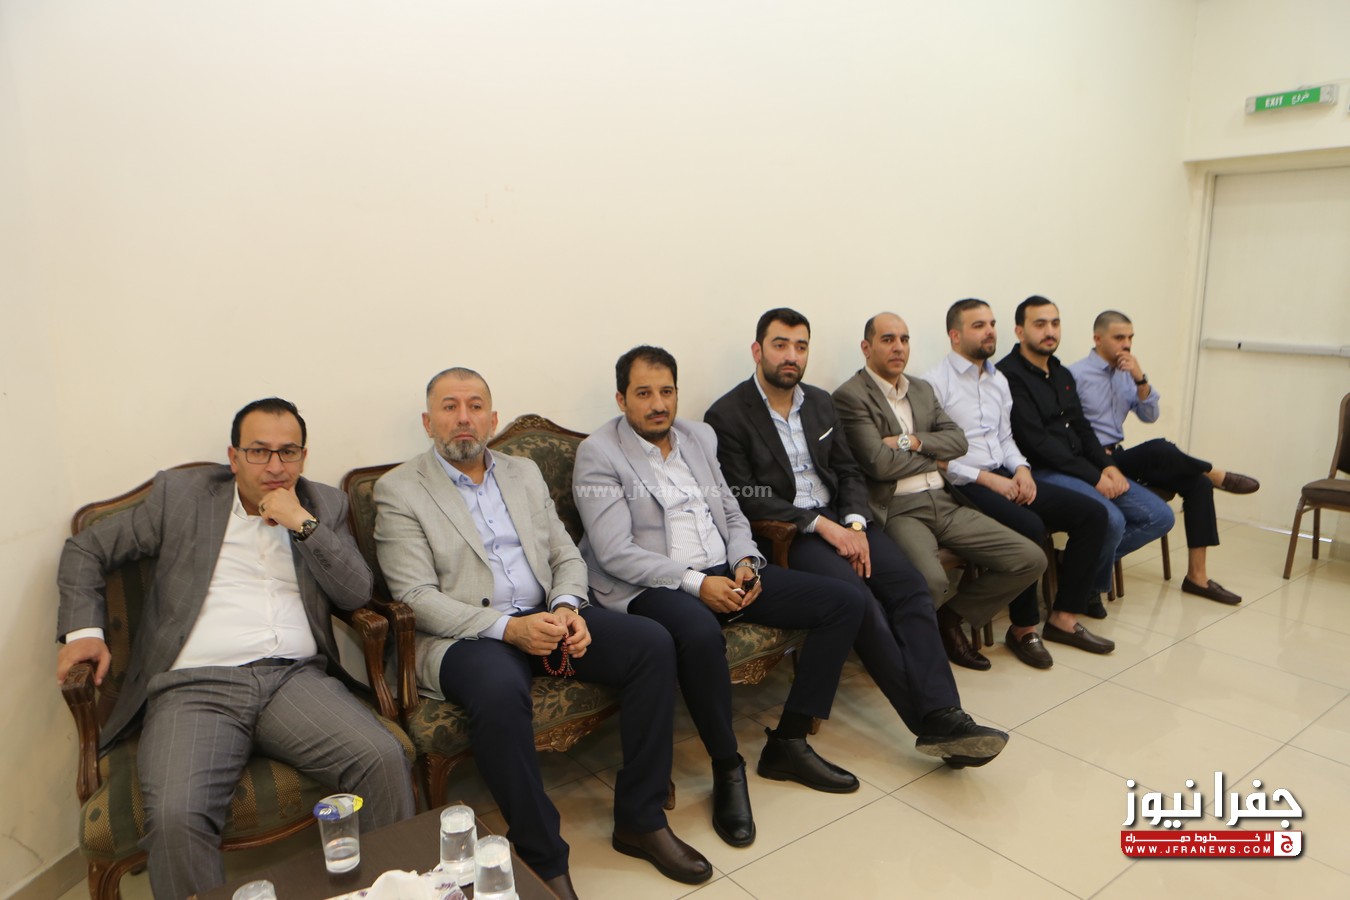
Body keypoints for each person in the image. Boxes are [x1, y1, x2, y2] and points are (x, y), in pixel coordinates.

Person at [55, 398, 416, 899]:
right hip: (195, 687)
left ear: (304, 456)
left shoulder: (324, 504)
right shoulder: (182, 497)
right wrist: (84, 634)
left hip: (293, 680)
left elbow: (356, 593)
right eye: (259, 451)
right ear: (234, 456)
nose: (275, 466)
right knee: (176, 815)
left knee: (382, 758)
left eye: (288, 452)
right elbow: (86, 549)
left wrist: (302, 524)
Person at [374, 368, 708, 898]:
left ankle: (641, 819)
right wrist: (510, 629)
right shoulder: (399, 489)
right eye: (449, 406)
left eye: (475, 406)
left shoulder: (522, 472)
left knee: (651, 644)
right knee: (499, 692)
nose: (463, 417)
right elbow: (415, 597)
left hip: (546, 614)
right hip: (468, 636)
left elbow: (565, 554)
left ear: (492, 418)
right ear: (427, 421)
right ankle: (542, 857)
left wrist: (569, 606)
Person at [574, 346, 866, 850]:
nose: (658, 404)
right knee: (699, 632)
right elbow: (614, 552)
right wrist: (695, 583)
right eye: (643, 393)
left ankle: (789, 741)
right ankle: (728, 766)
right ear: (621, 399)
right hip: (649, 584)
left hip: (723, 569)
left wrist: (747, 562)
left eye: (667, 391)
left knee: (844, 602)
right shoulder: (599, 453)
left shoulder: (697, 438)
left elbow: (731, 513)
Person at [703, 310, 1009, 767]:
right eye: (780, 345)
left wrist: (855, 524)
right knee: (859, 600)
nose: (791, 356)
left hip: (845, 522)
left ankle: (946, 713)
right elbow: (746, 496)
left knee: (910, 588)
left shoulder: (820, 403)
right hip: (790, 534)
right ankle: (931, 723)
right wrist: (821, 525)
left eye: (800, 346)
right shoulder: (727, 414)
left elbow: (847, 470)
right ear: (757, 350)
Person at [833, 311, 1045, 670]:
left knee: (1030, 558)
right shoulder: (850, 396)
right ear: (866, 348)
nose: (898, 347)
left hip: (945, 501)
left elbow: (958, 442)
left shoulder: (921, 389)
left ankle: (951, 618)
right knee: (931, 580)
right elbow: (879, 465)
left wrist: (909, 441)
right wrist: (932, 457)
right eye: (888, 339)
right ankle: (905, 653)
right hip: (899, 508)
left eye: (904, 339)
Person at [925, 299, 1116, 664]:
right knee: (1030, 526)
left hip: (1004, 473)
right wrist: (988, 480)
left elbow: (1005, 438)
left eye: (992, 323)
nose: (989, 331)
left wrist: (1022, 470)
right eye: (979, 325)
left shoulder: (998, 380)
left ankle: (1063, 618)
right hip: (962, 482)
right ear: (955, 335)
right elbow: (935, 456)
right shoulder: (935, 383)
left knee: (1092, 514)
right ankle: (1023, 628)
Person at [997, 297, 1174, 616]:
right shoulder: (1008, 375)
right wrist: (1094, 477)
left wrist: (1108, 467)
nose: (1050, 331)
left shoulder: (1060, 372)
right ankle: (1087, 590)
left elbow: (1082, 427)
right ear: (1020, 331)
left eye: (1055, 323)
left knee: (1160, 516)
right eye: (1040, 324)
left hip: (1083, 464)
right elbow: (1037, 443)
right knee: (1111, 519)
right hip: (1042, 471)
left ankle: (1076, 565)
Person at [1068, 310, 1259, 604]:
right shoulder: (1075, 375)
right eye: (1119, 337)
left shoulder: (1128, 374)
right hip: (1092, 460)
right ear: (1098, 339)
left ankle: (1197, 577)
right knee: (1159, 449)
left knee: (1197, 484)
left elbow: (1150, 415)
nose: (1126, 344)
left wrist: (1140, 379)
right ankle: (1214, 473)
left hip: (1118, 456)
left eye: (1130, 337)